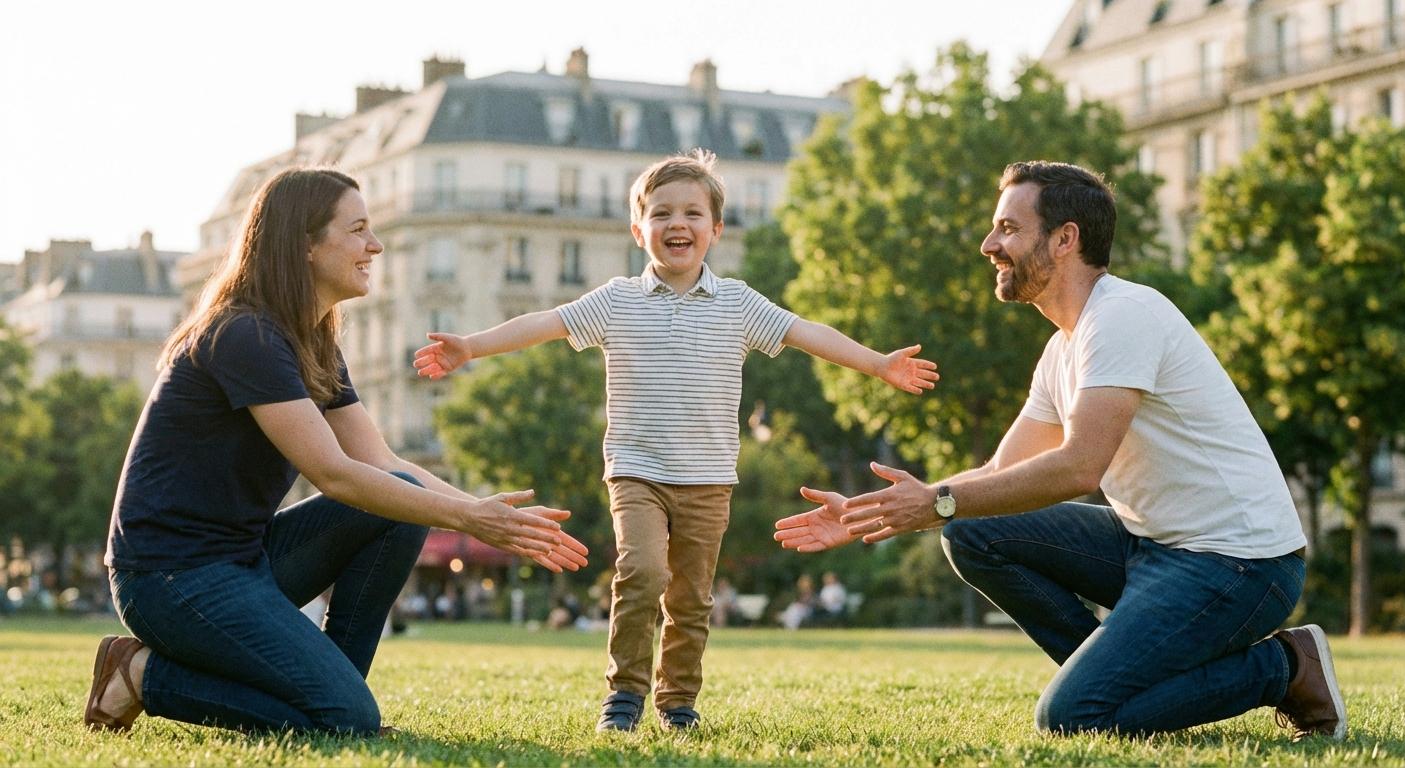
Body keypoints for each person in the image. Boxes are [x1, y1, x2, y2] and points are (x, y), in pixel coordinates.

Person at [775, 161, 1345, 741]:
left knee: (1072, 719)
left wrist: (939, 501)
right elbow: (1001, 472)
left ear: (1065, 238)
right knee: (970, 531)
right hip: (1152, 548)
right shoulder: (1062, 349)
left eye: (1008, 229)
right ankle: (1118, 680)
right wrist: (876, 513)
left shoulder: (1122, 316)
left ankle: (1287, 667)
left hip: (1239, 565)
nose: (988, 245)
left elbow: (1079, 466)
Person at [413, 149, 939, 732]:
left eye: (692, 213)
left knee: (691, 599)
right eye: (661, 214)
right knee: (642, 573)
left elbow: (806, 333)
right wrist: (472, 346)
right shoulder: (617, 300)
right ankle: (624, 696)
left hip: (709, 478)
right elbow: (546, 322)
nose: (677, 224)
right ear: (639, 230)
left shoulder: (738, 303)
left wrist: (876, 365)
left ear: (715, 229)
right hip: (636, 471)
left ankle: (678, 701)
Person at [83, 168, 589, 736]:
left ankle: (336, 699)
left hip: (245, 561)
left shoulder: (312, 341)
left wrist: (489, 513)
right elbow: (334, 475)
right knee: (346, 715)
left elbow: (384, 464)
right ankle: (140, 673)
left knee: (402, 509)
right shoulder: (244, 334)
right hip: (169, 579)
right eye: (357, 229)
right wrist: (472, 519)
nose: (374, 245)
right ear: (303, 243)